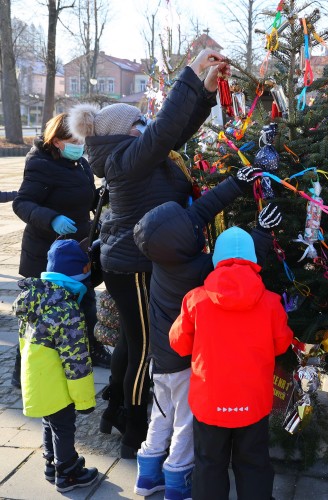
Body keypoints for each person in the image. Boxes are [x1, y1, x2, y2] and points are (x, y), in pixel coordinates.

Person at [67, 48, 230, 458]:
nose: (146, 125)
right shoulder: (125, 158)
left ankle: (116, 412)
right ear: (125, 133)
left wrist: (206, 92)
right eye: (139, 122)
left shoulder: (131, 154)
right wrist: (190, 74)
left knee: (130, 341)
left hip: (134, 262)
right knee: (146, 351)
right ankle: (134, 434)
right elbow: (163, 132)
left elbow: (173, 134)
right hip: (136, 266)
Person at [132, 168, 281, 499]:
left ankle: (147, 475)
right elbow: (235, 273)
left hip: (162, 357)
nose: (197, 222)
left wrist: (236, 183)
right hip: (189, 368)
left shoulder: (164, 257)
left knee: (164, 419)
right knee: (187, 429)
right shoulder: (200, 278)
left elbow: (199, 213)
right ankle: (174, 483)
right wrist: (263, 235)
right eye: (192, 226)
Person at [169, 225, 294, 500]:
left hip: (209, 403)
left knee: (209, 465)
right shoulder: (271, 303)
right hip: (254, 401)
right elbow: (282, 344)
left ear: (216, 260)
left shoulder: (195, 300)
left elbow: (178, 343)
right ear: (253, 260)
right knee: (254, 463)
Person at [12, 112, 111, 392]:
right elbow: (22, 203)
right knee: (40, 312)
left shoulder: (78, 162)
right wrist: (51, 217)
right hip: (45, 253)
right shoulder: (39, 164)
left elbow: (82, 194)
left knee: (86, 300)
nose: (79, 144)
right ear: (56, 141)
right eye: (73, 140)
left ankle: (93, 349)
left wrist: (101, 197)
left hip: (78, 248)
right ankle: (23, 369)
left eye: (81, 139)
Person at [12, 239, 98, 493]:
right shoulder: (67, 309)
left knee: (50, 422)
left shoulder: (36, 297)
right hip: (56, 382)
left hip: (37, 379)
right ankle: (68, 472)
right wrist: (84, 401)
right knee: (63, 426)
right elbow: (77, 361)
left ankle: (50, 463)